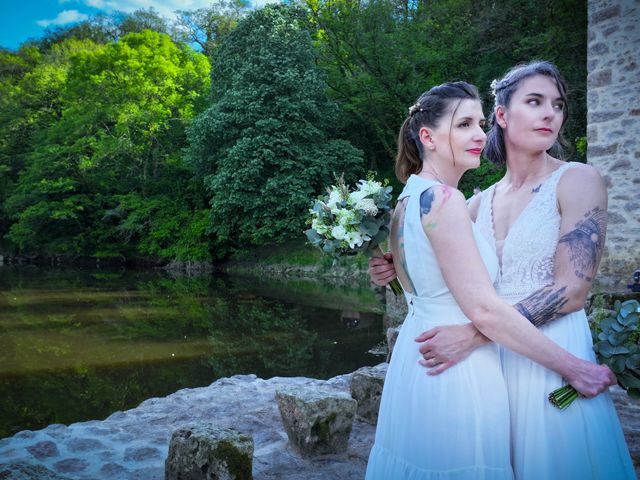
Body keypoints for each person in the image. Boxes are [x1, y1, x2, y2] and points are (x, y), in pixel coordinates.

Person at [369, 62, 635, 479]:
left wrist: (475, 334)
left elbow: (571, 291)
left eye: (558, 104)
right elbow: (433, 256)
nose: (550, 113)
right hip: (492, 357)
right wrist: (392, 265)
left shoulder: (579, 179)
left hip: (543, 350)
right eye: (535, 101)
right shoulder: (478, 200)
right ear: (503, 116)